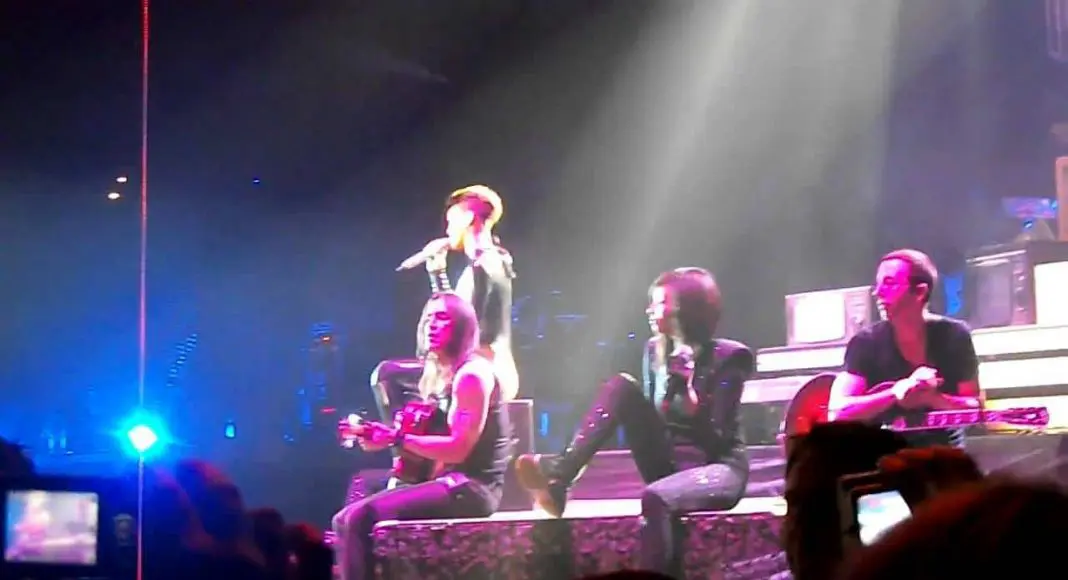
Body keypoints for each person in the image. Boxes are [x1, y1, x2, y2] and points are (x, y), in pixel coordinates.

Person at [514, 267, 751, 578]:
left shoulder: (730, 357)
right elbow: (658, 417)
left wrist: (688, 387)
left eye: (660, 303)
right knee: (620, 386)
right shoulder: (655, 351)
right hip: (671, 463)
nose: (649, 310)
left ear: (687, 308)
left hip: (718, 467)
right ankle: (560, 478)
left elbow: (718, 435)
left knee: (656, 497)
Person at [332, 292, 512, 580]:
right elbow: (430, 441)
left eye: (442, 318)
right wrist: (378, 438)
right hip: (444, 479)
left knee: (359, 518)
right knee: (346, 512)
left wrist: (396, 439)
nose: (431, 325)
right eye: (428, 318)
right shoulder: (437, 374)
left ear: (462, 327)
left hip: (472, 488)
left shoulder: (472, 375)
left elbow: (458, 448)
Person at [371, 185, 518, 434]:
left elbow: (462, 328)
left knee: (386, 375)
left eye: (451, 222)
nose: (448, 230)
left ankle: (403, 445)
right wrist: (437, 272)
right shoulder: (484, 263)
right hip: (478, 367)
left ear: (468, 218)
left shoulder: (485, 264)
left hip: (485, 372)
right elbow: (454, 314)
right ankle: (418, 442)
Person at [827, 249, 982, 448]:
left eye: (889, 283)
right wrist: (896, 392)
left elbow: (974, 409)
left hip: (944, 455)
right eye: (878, 284)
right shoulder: (865, 342)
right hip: (884, 454)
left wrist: (933, 398)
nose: (877, 292)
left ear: (920, 292)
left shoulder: (955, 335)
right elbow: (838, 411)